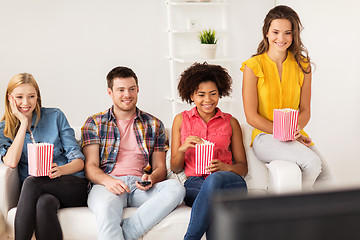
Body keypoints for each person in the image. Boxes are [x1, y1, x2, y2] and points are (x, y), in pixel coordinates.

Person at [81, 66, 185, 240]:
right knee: (106, 208)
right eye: (121, 90)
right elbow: (90, 167)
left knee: (177, 188)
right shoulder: (95, 123)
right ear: (110, 92)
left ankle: (128, 231)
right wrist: (109, 181)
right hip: (107, 185)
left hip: (140, 186)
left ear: (138, 89)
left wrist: (151, 178)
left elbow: (160, 167)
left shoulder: (154, 124)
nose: (127, 95)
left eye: (131, 89)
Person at [241, 5, 322, 189]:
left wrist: (295, 131)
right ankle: (298, 211)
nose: (281, 38)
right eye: (276, 32)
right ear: (267, 33)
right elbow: (251, 116)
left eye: (287, 33)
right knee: (312, 163)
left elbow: (305, 110)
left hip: (295, 135)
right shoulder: (253, 66)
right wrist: (282, 133)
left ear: (294, 35)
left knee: (326, 179)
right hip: (264, 137)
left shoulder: (303, 65)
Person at [0, 73, 88, 240]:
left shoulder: (55, 116)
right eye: (19, 97)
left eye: (31, 96)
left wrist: (61, 170)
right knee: (44, 203)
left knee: (32, 182)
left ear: (37, 97)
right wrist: (23, 123)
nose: (26, 103)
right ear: (10, 99)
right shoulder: (3, 129)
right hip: (39, 194)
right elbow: (10, 162)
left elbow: (79, 162)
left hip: (72, 185)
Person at [171, 62, 248, 240]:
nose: (208, 100)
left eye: (213, 94)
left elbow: (243, 168)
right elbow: (175, 168)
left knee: (215, 179)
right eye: (201, 95)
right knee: (215, 204)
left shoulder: (230, 122)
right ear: (191, 95)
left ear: (220, 93)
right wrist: (182, 149)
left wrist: (225, 167)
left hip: (230, 182)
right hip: (195, 184)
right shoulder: (181, 120)